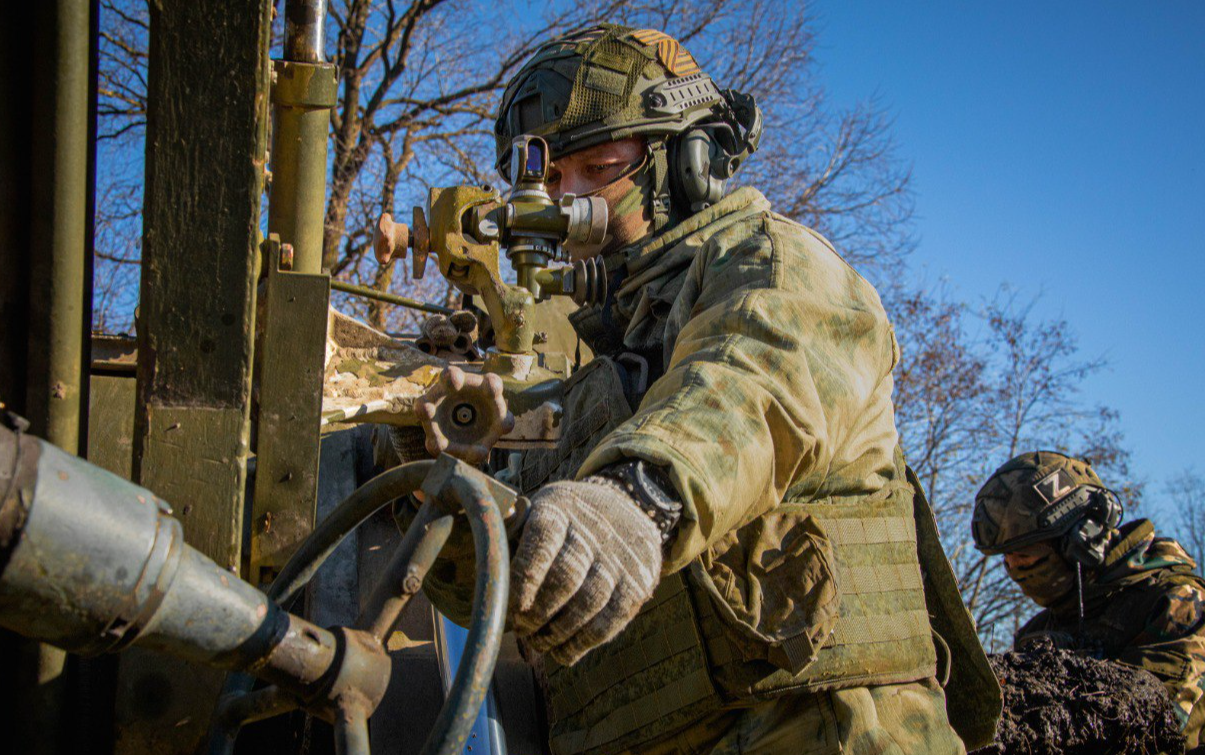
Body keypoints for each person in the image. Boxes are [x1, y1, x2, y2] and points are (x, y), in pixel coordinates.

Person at [407, 23, 999, 755]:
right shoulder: (596, 373)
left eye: (596, 165)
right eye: (550, 180)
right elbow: (485, 589)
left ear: (688, 162)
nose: (566, 204)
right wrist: (429, 471)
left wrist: (637, 501)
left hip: (816, 733)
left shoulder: (774, 266)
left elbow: (750, 381)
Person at [972, 450, 1205, 747]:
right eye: (1007, 559)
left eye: (1025, 555)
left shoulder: (1180, 604)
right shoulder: (1037, 633)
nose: (1015, 568)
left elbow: (1158, 726)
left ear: (1083, 540)